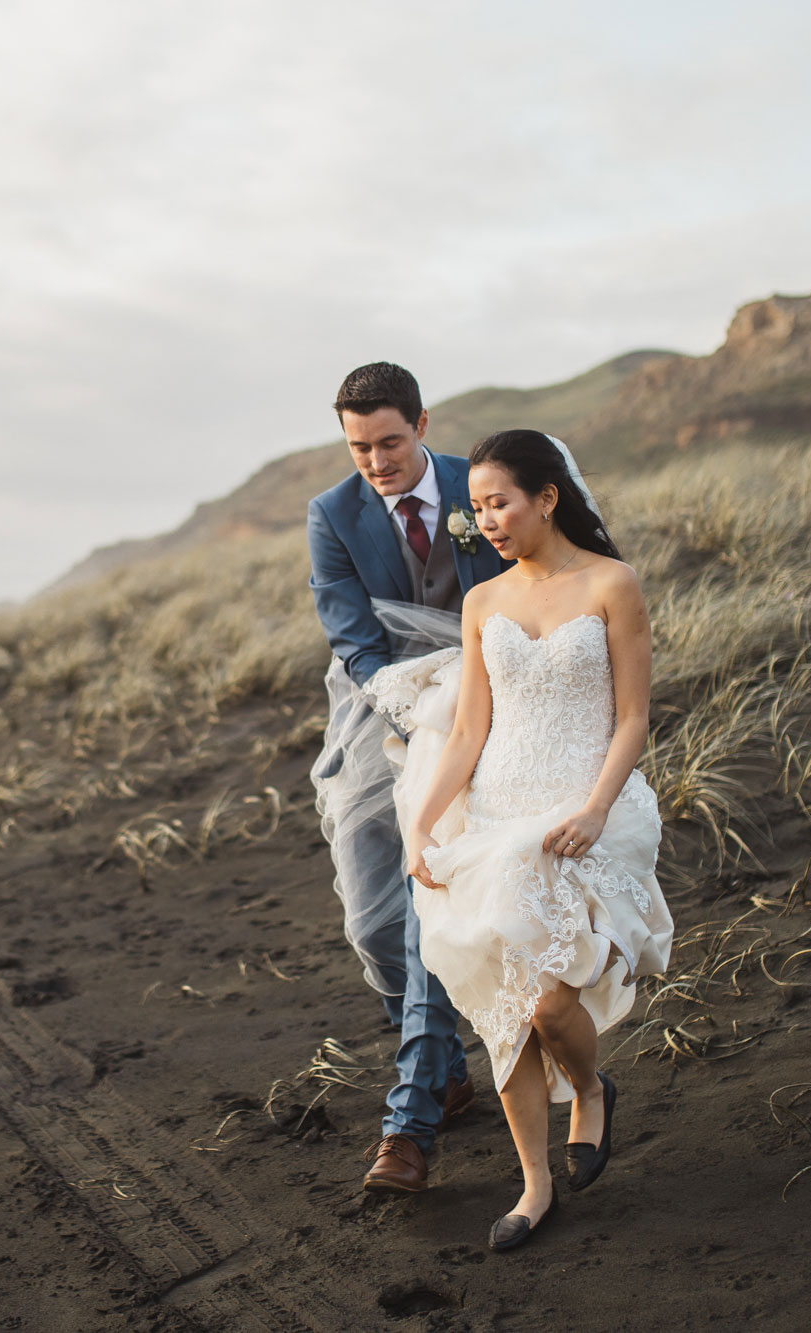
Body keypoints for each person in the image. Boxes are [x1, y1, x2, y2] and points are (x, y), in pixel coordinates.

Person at [372, 428, 673, 1251]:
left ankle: (589, 1087)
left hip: (582, 811)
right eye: (476, 508)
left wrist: (597, 809)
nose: (487, 520)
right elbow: (471, 727)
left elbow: (635, 716)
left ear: (548, 495)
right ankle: (534, 1183)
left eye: (499, 502)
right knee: (506, 1009)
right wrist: (425, 820)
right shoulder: (483, 602)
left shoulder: (613, 583)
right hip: (497, 815)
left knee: (548, 999)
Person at [306, 362, 508, 1194]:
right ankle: (445, 1067)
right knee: (370, 922)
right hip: (379, 714)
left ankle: (409, 1121)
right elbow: (352, 637)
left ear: (422, 424)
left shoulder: (478, 486)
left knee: (430, 913)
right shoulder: (332, 515)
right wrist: (409, 705)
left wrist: (467, 713)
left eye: (390, 441)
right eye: (360, 448)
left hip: (492, 712)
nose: (377, 462)